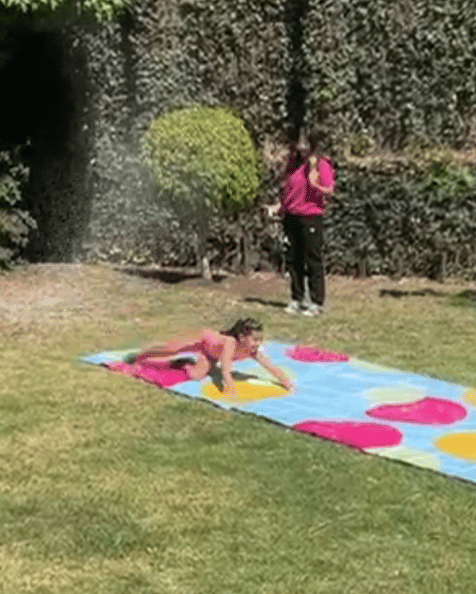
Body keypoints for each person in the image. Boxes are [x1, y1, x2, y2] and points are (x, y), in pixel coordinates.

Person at [132, 317, 293, 399]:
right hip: (203, 340)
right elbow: (226, 368)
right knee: (171, 349)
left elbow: (271, 367)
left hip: (210, 354)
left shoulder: (253, 351)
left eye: (260, 340)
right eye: (255, 339)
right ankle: (140, 355)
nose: (258, 343)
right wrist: (229, 386)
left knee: (196, 375)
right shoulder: (230, 342)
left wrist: (286, 382)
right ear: (242, 337)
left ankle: (185, 363)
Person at [267, 131, 336, 316]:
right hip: (291, 217)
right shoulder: (293, 164)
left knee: (313, 260)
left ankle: (316, 303)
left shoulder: (321, 164)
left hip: (311, 217)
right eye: (298, 145)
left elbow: (330, 190)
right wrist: (280, 206)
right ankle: (297, 299)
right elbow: (289, 191)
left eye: (305, 145)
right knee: (293, 260)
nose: (301, 148)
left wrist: (316, 185)